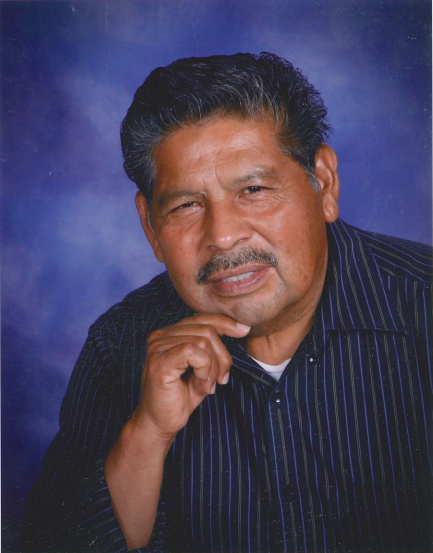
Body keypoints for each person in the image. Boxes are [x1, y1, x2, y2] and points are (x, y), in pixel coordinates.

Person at [21, 53, 432, 553]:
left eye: (253, 189)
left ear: (323, 183)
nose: (222, 235)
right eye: (186, 205)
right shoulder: (120, 344)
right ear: (150, 226)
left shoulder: (423, 305)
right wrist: (147, 433)